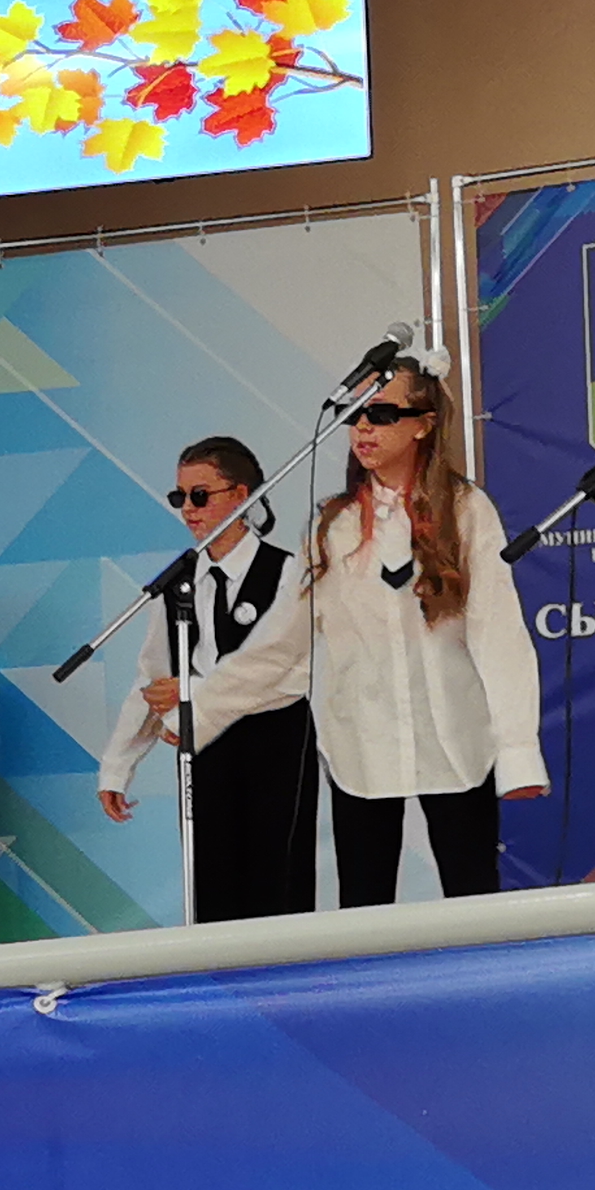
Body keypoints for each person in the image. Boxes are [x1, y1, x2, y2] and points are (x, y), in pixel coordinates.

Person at [248, 367, 548, 906]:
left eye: (382, 413)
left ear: (423, 425)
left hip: (455, 735)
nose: (363, 427)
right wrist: (199, 708)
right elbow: (283, 645)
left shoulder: (466, 510)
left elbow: (499, 634)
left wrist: (518, 750)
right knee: (364, 907)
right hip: (362, 741)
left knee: (473, 898)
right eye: (354, 414)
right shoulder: (333, 525)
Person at [97, 436, 325, 921]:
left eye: (200, 495)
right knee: (212, 883)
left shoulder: (289, 571)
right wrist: (118, 765)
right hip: (204, 745)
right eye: (180, 497)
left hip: (276, 743)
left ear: (240, 496)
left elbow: (294, 673)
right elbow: (153, 679)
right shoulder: (176, 583)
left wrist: (195, 689)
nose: (188, 509)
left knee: (278, 880)